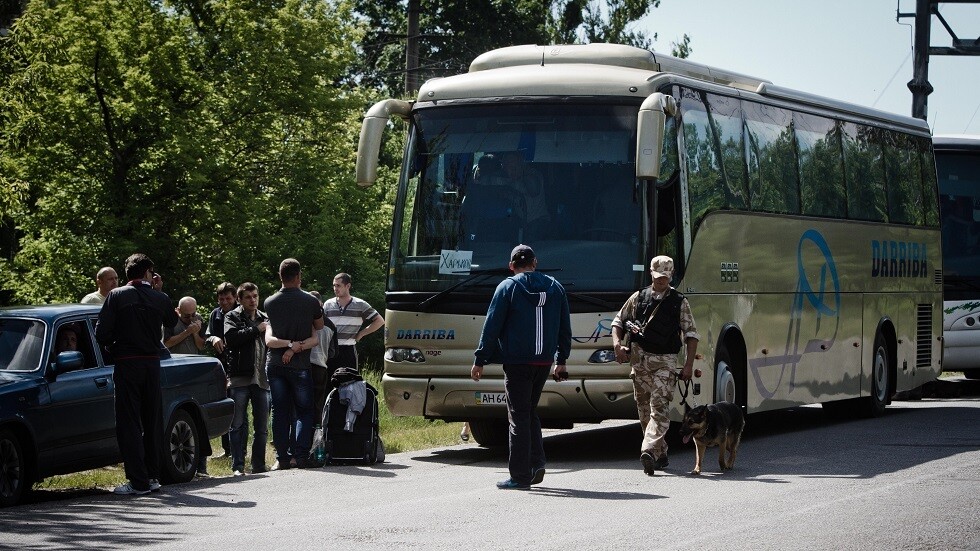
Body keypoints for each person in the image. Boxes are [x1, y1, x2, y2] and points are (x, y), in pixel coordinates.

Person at [471, 244, 571, 490]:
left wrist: (480, 359)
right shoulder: (556, 288)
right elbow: (564, 327)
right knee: (528, 412)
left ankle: (520, 475)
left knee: (517, 416)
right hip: (544, 361)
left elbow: (492, 325)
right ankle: (537, 463)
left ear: (512, 266)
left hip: (517, 362)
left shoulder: (508, 287)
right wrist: (561, 360)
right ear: (535, 262)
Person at [95, 254, 177, 495]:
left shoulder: (117, 295)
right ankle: (152, 476)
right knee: (152, 420)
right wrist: (159, 290)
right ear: (149, 273)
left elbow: (101, 333)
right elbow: (171, 321)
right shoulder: (159, 297)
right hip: (152, 363)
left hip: (127, 362)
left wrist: (114, 346)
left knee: (129, 421)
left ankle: (138, 480)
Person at [611, 255, 699, 476]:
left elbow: (691, 335)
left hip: (665, 362)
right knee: (643, 410)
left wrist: (687, 365)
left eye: (666, 277)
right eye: (658, 276)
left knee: (659, 405)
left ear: (671, 274)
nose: (662, 280)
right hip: (639, 362)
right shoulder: (639, 297)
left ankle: (648, 449)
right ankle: (660, 454)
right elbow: (618, 322)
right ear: (651, 273)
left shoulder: (679, 301)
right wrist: (617, 346)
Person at [264, 258, 323, 470]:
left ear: (280, 276)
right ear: (298, 276)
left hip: (275, 363)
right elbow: (319, 325)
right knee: (304, 410)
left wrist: (288, 345)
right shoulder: (310, 301)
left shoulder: (269, 302)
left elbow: (270, 333)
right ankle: (300, 455)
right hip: (299, 365)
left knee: (279, 411)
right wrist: (298, 344)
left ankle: (281, 458)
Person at [223, 282, 271, 476]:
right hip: (239, 378)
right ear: (240, 300)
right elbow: (231, 338)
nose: (253, 300)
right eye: (248, 297)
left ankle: (258, 465)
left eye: (255, 296)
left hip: (261, 378)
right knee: (237, 425)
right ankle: (238, 466)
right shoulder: (232, 316)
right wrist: (256, 329)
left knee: (261, 426)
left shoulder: (266, 318)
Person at [324, 273, 384, 373]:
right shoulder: (328, 304)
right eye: (334, 285)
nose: (335, 288)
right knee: (328, 385)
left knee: (349, 384)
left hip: (348, 350)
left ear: (348, 286)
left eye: (338, 285)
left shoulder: (360, 304)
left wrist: (361, 333)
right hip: (330, 350)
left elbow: (379, 321)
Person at [205, 281, 237, 457]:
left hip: (239, 365)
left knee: (238, 407)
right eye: (221, 299)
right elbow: (207, 336)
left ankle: (238, 448)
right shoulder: (215, 314)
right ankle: (227, 449)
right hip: (222, 364)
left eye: (228, 298)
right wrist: (214, 338)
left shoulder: (241, 312)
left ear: (234, 298)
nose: (224, 302)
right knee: (225, 405)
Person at [309, 290, 339, 420]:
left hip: (301, 365)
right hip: (320, 367)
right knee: (318, 404)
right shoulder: (331, 325)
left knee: (298, 402)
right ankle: (316, 434)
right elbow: (334, 352)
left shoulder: (303, 320)